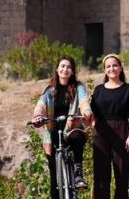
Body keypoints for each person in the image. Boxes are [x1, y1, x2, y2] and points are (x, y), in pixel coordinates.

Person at [33, 56, 93, 196]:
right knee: (54, 177)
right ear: (57, 69)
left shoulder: (78, 87)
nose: (65, 69)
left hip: (72, 129)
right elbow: (40, 105)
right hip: (53, 132)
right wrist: (38, 115)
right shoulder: (49, 90)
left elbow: (84, 101)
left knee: (78, 136)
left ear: (72, 71)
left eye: (69, 67)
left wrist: (86, 111)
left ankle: (78, 173)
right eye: (62, 66)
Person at [90, 54, 129, 199]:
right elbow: (93, 113)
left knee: (122, 176)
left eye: (115, 65)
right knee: (101, 176)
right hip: (100, 134)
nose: (112, 68)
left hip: (122, 132)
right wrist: (91, 124)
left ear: (121, 68)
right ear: (105, 70)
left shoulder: (128, 90)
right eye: (108, 66)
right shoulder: (98, 90)